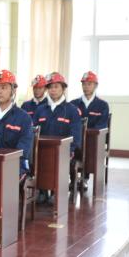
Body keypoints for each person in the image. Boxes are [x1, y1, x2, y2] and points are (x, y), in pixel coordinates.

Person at [33, 72, 82, 203]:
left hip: (63, 152)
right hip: (43, 151)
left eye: (56, 87)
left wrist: (69, 151)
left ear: (63, 88)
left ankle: (57, 191)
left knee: (59, 158)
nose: (53, 90)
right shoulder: (40, 110)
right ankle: (42, 190)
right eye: (50, 87)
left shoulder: (72, 110)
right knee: (38, 156)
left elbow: (76, 136)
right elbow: (33, 131)